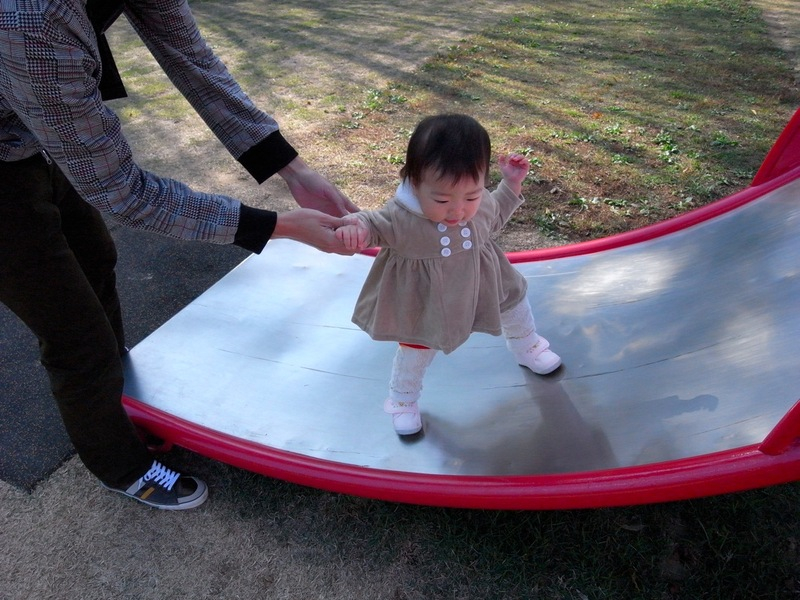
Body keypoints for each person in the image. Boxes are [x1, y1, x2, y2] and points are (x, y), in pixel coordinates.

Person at [0, 0, 360, 509]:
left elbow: (191, 57)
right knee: (76, 337)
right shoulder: (31, 21)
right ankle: (120, 465)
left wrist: (294, 170)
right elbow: (124, 194)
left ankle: (116, 399)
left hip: (28, 132)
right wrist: (275, 226)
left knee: (96, 258)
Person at [336, 114, 562, 436]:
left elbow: (495, 214)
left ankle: (528, 346)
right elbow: (371, 224)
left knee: (514, 304)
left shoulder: (480, 203)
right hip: (426, 298)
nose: (458, 210)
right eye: (441, 199)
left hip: (485, 280)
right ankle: (403, 398)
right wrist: (355, 228)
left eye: (471, 196)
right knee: (417, 347)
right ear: (413, 182)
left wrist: (511, 184)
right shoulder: (401, 217)